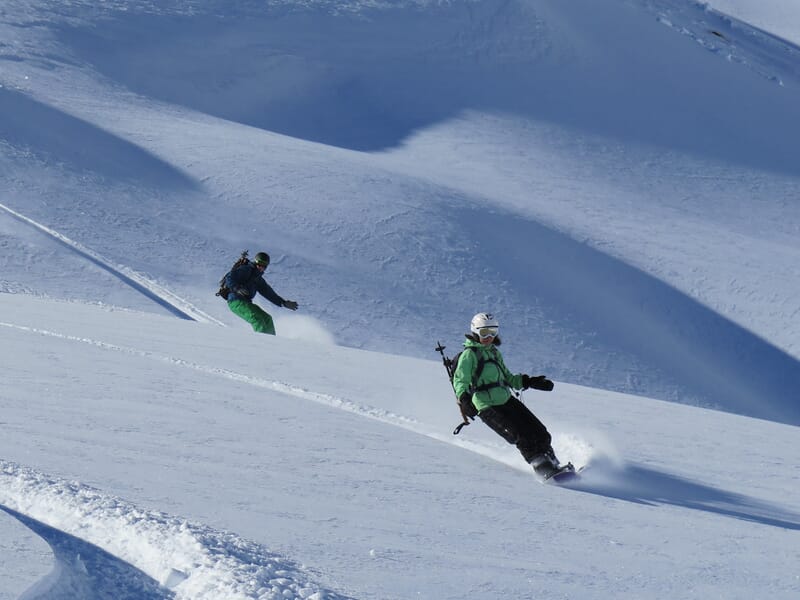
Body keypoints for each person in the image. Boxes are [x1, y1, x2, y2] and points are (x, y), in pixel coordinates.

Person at [452, 312, 563, 478]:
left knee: (540, 432)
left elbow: (508, 378)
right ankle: (544, 470)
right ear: (475, 332)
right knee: (521, 437)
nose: (489, 336)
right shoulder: (470, 355)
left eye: (493, 331)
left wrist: (529, 381)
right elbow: (460, 381)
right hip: (486, 405)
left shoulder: (494, 353)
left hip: (505, 399)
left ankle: (554, 464)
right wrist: (465, 399)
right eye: (484, 332)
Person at [225, 251, 298, 335]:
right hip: (236, 301)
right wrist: (237, 288)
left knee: (267, 319)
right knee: (258, 320)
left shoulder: (258, 279)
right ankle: (262, 345)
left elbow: (269, 293)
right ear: (255, 262)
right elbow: (229, 277)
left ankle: (273, 343)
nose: (261, 267)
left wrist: (283, 303)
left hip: (246, 302)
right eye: (259, 264)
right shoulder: (246, 269)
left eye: (264, 266)